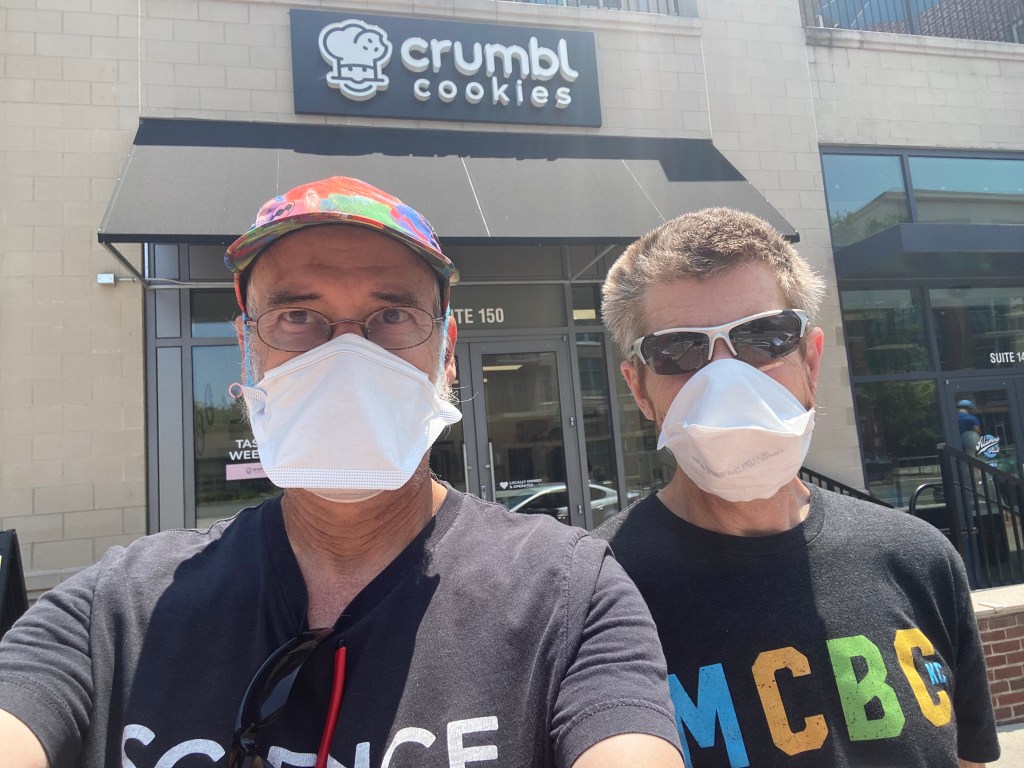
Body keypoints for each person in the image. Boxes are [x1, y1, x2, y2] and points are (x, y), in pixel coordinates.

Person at [0, 177, 683, 768]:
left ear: (447, 351)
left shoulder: (566, 599)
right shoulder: (116, 614)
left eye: (392, 315)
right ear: (247, 346)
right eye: (298, 315)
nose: (348, 357)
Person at [594, 208, 1000, 767]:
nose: (726, 380)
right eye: (679, 350)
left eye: (764, 338)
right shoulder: (595, 594)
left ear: (810, 359)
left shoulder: (919, 559)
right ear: (640, 389)